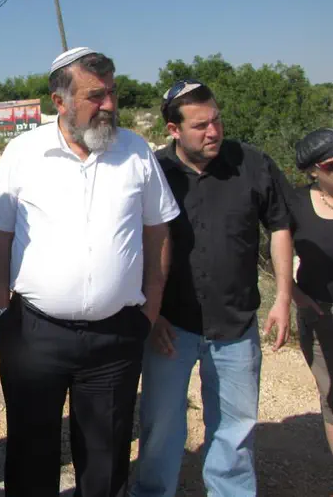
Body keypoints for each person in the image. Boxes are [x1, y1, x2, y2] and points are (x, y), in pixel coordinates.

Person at [0, 47, 179, 497]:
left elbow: (158, 232)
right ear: (59, 101)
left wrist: (149, 311)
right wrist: (0, 311)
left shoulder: (136, 151)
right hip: (35, 335)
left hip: (115, 340)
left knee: (105, 461)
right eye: (95, 96)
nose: (108, 105)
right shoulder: (24, 152)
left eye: (112, 93)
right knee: (31, 453)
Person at [131, 80, 293, 497]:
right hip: (170, 326)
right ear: (173, 130)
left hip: (236, 324)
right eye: (201, 125)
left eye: (217, 120)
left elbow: (279, 225)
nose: (214, 132)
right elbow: (132, 246)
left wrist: (283, 298)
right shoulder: (154, 173)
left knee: (235, 430)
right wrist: (152, 313)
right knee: (160, 426)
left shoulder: (252, 163)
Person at [281, 128, 333, 456]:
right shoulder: (296, 204)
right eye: (331, 166)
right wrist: (296, 297)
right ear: (313, 170)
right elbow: (277, 256)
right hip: (321, 316)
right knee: (331, 397)